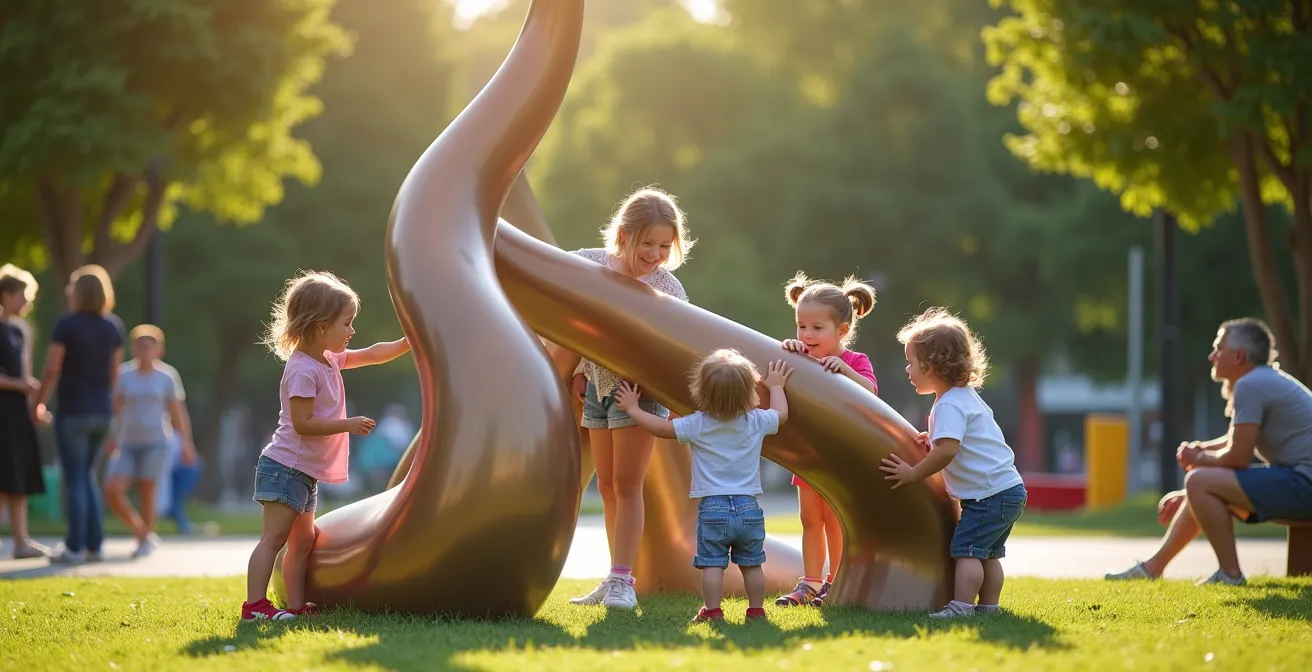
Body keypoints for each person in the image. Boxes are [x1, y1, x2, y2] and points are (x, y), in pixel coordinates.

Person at [242, 270, 410, 621]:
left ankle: (297, 606)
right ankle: (254, 606)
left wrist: (408, 341)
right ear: (320, 326)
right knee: (273, 539)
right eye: (346, 324)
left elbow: (373, 354)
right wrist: (348, 425)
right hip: (285, 467)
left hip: (304, 471)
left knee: (303, 542)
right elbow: (303, 423)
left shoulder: (329, 359)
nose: (352, 331)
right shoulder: (303, 369)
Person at [1106, 318, 1312, 585]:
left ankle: (1230, 575)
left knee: (1199, 481)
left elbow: (1238, 457)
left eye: (1219, 348)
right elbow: (1237, 439)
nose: (1212, 355)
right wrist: (1202, 454)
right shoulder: (1263, 380)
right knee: (1200, 484)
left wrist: (1199, 460)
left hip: (1303, 483)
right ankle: (1152, 569)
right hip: (1299, 479)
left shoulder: (1251, 385)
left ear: (1239, 356)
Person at [567, 187, 696, 610]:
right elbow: (572, 318)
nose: (656, 254)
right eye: (648, 243)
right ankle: (613, 576)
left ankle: (624, 580)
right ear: (623, 235)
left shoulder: (666, 286)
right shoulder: (589, 263)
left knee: (627, 484)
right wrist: (580, 368)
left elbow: (679, 342)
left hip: (637, 394)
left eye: (665, 246)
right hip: (597, 388)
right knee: (606, 486)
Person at [614, 350, 793, 623]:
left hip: (713, 508)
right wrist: (777, 386)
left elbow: (660, 429)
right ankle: (756, 611)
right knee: (752, 564)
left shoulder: (698, 424)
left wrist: (633, 408)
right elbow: (781, 414)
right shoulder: (756, 421)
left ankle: (713, 611)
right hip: (748, 507)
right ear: (749, 391)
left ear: (702, 392)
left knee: (712, 565)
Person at [880, 307, 1027, 618]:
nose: (907, 370)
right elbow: (955, 442)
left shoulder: (949, 405)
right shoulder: (965, 397)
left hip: (988, 495)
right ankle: (989, 608)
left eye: (911, 363)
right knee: (988, 554)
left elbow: (948, 450)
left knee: (967, 551)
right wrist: (933, 441)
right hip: (1007, 490)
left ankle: (961, 607)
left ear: (931, 366)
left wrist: (914, 473)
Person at [774, 271, 878, 607]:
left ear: (842, 330)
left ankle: (836, 580)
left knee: (834, 519)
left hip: (840, 457)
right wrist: (790, 350)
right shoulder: (799, 357)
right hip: (807, 453)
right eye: (801, 326)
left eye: (817, 328)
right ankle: (810, 582)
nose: (806, 334)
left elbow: (871, 393)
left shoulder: (855, 361)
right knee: (809, 518)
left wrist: (845, 371)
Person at [33, 265, 125, 564]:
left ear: (80, 292)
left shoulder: (66, 325)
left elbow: (52, 368)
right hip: (102, 412)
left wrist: (37, 402)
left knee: (75, 478)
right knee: (87, 476)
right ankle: (94, 546)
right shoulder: (113, 327)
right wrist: (114, 416)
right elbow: (115, 377)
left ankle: (74, 546)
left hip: (73, 410)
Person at [103, 324, 197, 557]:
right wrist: (111, 437)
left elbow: (177, 412)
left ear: (158, 350)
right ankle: (141, 531)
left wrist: (186, 443)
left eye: (148, 346)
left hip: (156, 441)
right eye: (139, 346)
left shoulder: (167, 376)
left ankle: (145, 539)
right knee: (112, 489)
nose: (143, 351)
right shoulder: (124, 375)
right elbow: (116, 409)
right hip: (127, 442)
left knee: (148, 489)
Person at [0, 264, 52, 559]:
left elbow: (25, 373)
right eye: (21, 296)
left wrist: (35, 405)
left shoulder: (19, 331)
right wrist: (18, 385)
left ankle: (21, 541)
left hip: (17, 412)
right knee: (3, 474)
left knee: (18, 476)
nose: (25, 303)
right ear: (6, 295)